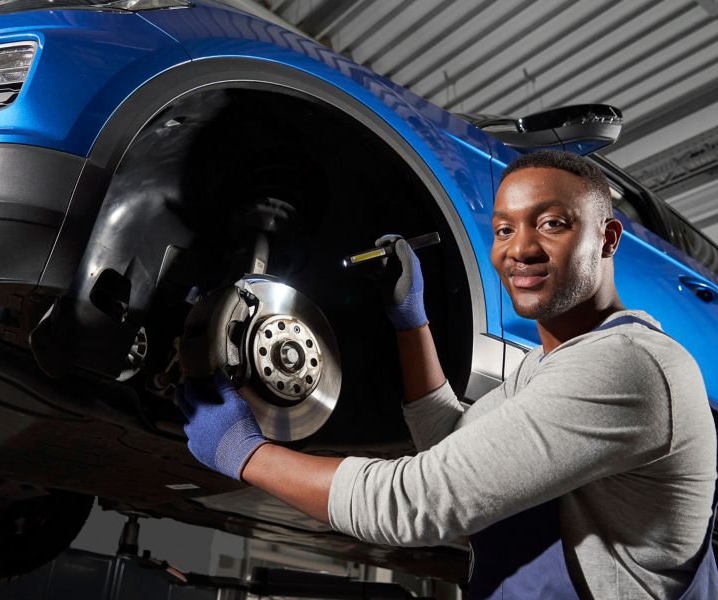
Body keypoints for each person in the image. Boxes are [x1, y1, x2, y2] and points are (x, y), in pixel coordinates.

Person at [177, 150, 718, 599]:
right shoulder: (545, 366)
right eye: (504, 229)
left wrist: (244, 453)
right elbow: (452, 446)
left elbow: (419, 502)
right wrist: (410, 319)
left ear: (608, 238)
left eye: (552, 223)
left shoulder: (628, 365)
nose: (520, 249)